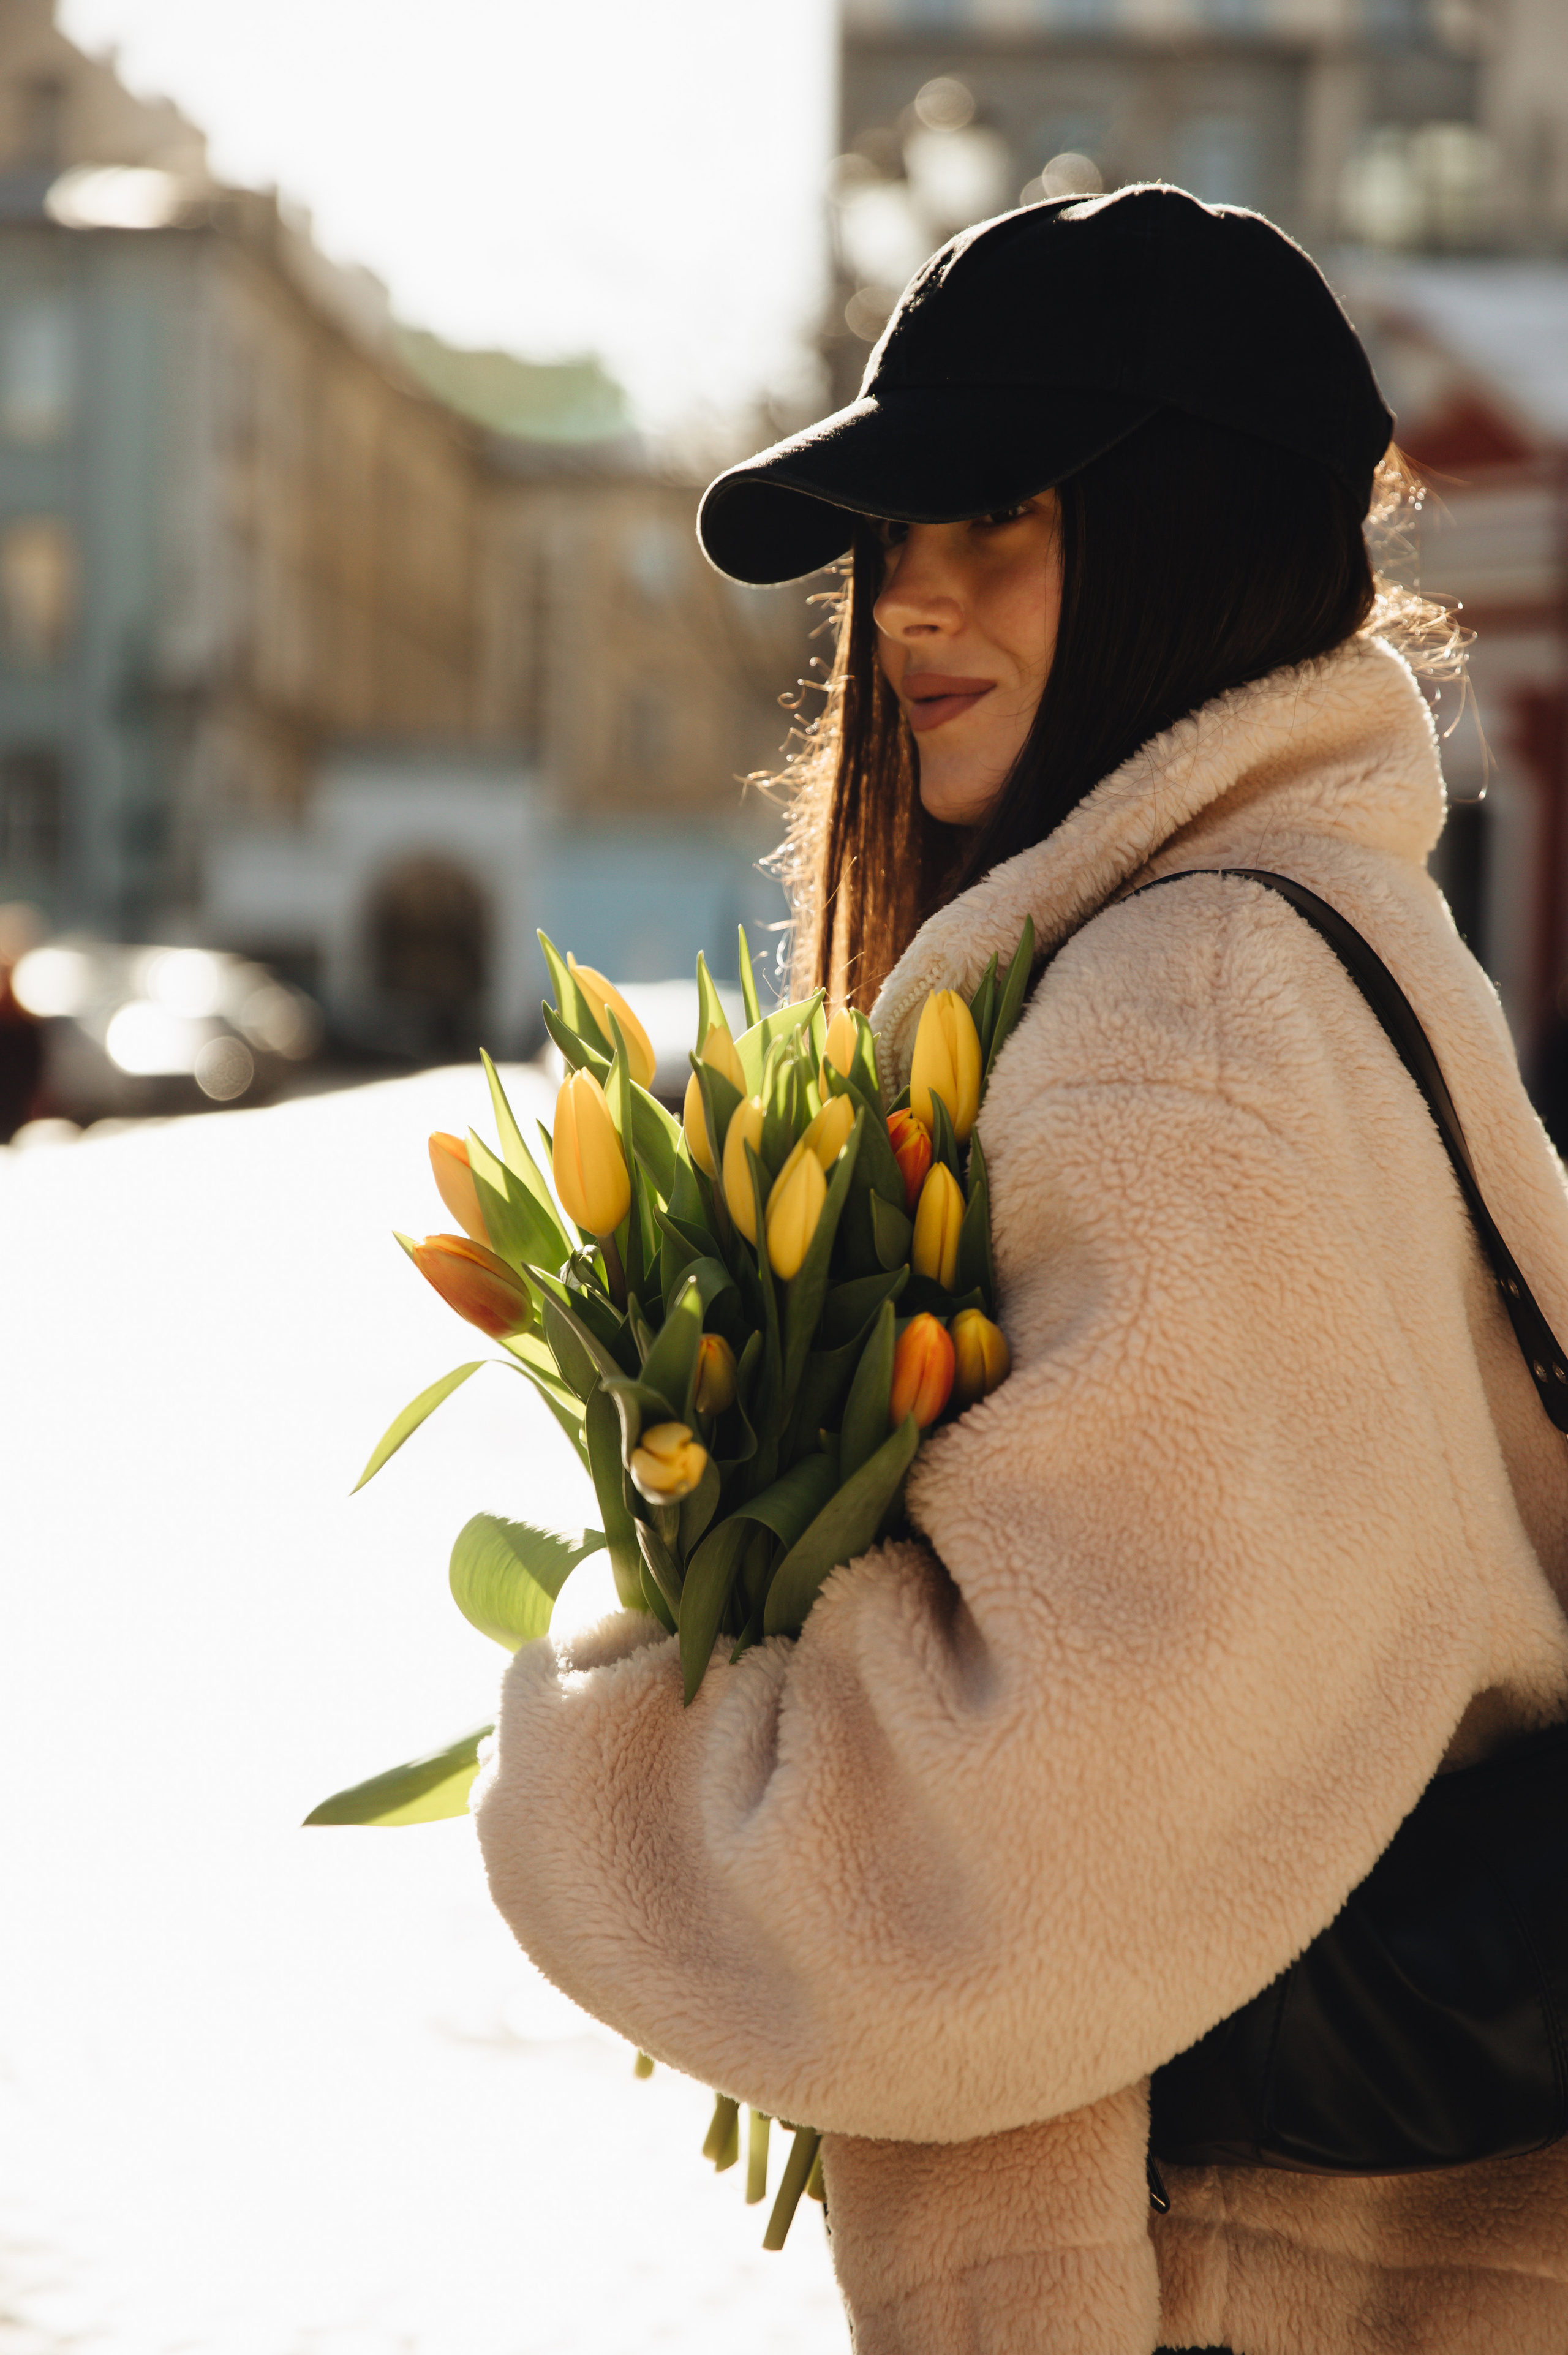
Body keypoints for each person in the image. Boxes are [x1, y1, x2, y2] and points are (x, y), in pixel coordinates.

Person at [475, 186, 1568, 2354]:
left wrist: (613, 1760)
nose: (911, 602)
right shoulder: (1317, 942)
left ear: (1201, 547)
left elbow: (1007, 1866)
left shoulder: (1182, 1024)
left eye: (1008, 519)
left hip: (1224, 2291)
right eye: (894, 536)